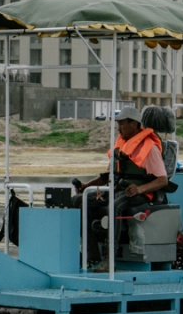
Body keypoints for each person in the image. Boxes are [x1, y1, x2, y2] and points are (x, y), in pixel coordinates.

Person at [72, 106, 169, 266]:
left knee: (114, 206)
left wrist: (140, 189)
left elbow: (162, 180)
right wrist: (86, 186)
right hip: (117, 190)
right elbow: (107, 176)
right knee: (80, 200)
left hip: (138, 194)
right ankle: (91, 252)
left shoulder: (149, 148)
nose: (119, 128)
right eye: (118, 124)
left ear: (134, 124)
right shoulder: (120, 146)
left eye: (122, 124)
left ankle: (109, 260)